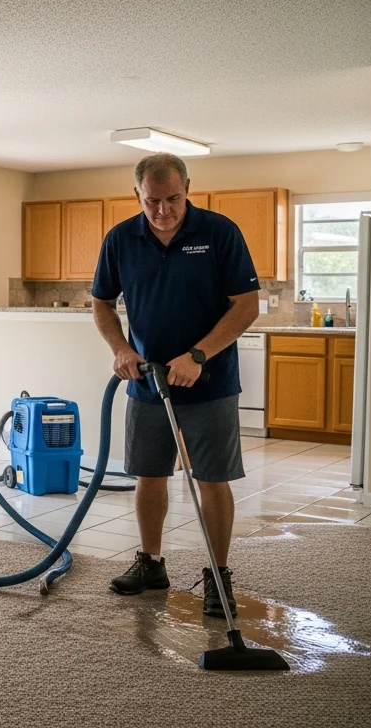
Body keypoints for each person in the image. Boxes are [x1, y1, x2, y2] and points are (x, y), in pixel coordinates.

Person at [91, 152, 260, 616]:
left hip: (209, 380)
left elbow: (246, 306)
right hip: (148, 380)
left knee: (212, 478)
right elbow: (102, 304)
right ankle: (151, 563)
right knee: (149, 474)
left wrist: (199, 355)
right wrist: (121, 349)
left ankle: (217, 576)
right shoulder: (121, 239)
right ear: (137, 194)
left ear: (188, 187)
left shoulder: (219, 232)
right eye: (152, 201)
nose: (163, 210)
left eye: (173, 199)